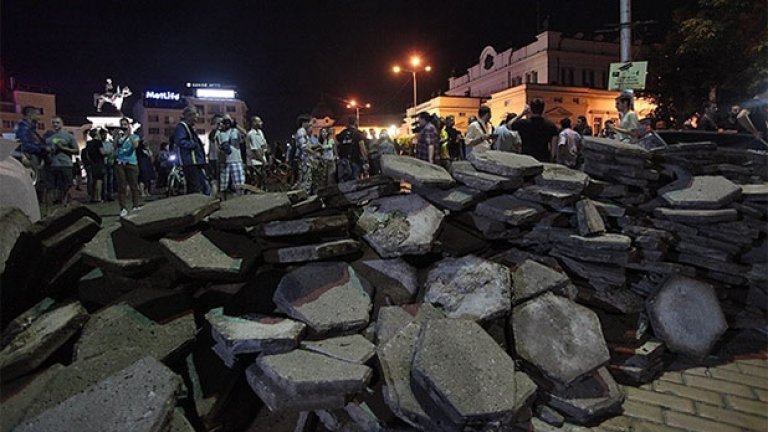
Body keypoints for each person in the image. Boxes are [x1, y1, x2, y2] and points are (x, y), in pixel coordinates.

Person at [510, 98, 559, 162]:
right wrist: (552, 159)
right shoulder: (551, 125)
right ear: (543, 109)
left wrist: (522, 114)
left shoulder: (523, 123)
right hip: (543, 158)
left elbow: (509, 125)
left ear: (531, 110)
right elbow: (553, 147)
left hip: (527, 158)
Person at [44, 117, 79, 205]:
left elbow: (76, 150)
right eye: (53, 123)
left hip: (65, 165)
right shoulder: (47, 136)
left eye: (57, 122)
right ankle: (49, 212)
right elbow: (42, 149)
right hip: (51, 164)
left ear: (62, 124)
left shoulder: (68, 136)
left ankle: (66, 206)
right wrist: (46, 150)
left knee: (67, 187)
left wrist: (63, 148)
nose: (55, 124)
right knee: (49, 188)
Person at [173, 106, 207, 194]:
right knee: (194, 186)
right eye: (195, 116)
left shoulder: (189, 127)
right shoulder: (182, 127)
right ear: (189, 116)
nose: (197, 118)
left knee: (199, 184)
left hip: (195, 161)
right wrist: (194, 145)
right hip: (190, 161)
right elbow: (180, 141)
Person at [114, 118, 141, 217]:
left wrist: (129, 135)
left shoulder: (135, 136)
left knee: (134, 185)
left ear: (128, 125)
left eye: (125, 124)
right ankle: (123, 208)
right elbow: (115, 146)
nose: (123, 126)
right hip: (120, 163)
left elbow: (135, 146)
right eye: (122, 124)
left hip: (132, 163)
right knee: (121, 186)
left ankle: (135, 205)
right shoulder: (118, 137)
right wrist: (117, 136)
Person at [215, 114, 245, 197]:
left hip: (236, 160)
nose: (227, 123)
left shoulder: (235, 131)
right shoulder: (219, 133)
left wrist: (236, 125)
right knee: (222, 186)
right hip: (224, 162)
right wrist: (219, 125)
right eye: (225, 121)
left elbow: (246, 134)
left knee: (240, 185)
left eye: (228, 121)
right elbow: (214, 141)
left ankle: (241, 201)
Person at [335, 116, 368, 182]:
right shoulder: (358, 133)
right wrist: (366, 160)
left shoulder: (343, 133)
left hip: (343, 162)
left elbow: (335, 143)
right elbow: (362, 147)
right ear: (356, 122)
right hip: (355, 161)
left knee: (344, 182)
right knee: (355, 182)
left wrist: (337, 156)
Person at [85, 129, 106, 203]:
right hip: (99, 162)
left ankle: (93, 197)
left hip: (92, 163)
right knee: (99, 180)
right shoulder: (98, 142)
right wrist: (107, 152)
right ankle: (99, 197)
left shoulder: (88, 143)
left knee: (93, 181)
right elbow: (102, 152)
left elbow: (87, 154)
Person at [246, 116, 268, 188]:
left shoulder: (260, 132)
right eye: (259, 121)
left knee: (263, 182)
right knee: (257, 183)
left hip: (261, 161)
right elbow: (255, 150)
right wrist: (263, 160)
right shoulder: (251, 134)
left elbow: (264, 145)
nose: (261, 123)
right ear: (254, 123)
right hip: (255, 163)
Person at [101, 129, 116, 201]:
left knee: (110, 181)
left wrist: (107, 153)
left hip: (109, 163)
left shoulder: (109, 143)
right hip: (103, 163)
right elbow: (103, 153)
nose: (105, 136)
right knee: (105, 180)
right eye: (103, 134)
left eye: (105, 134)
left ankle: (110, 195)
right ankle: (104, 195)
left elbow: (112, 152)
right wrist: (108, 152)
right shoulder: (100, 143)